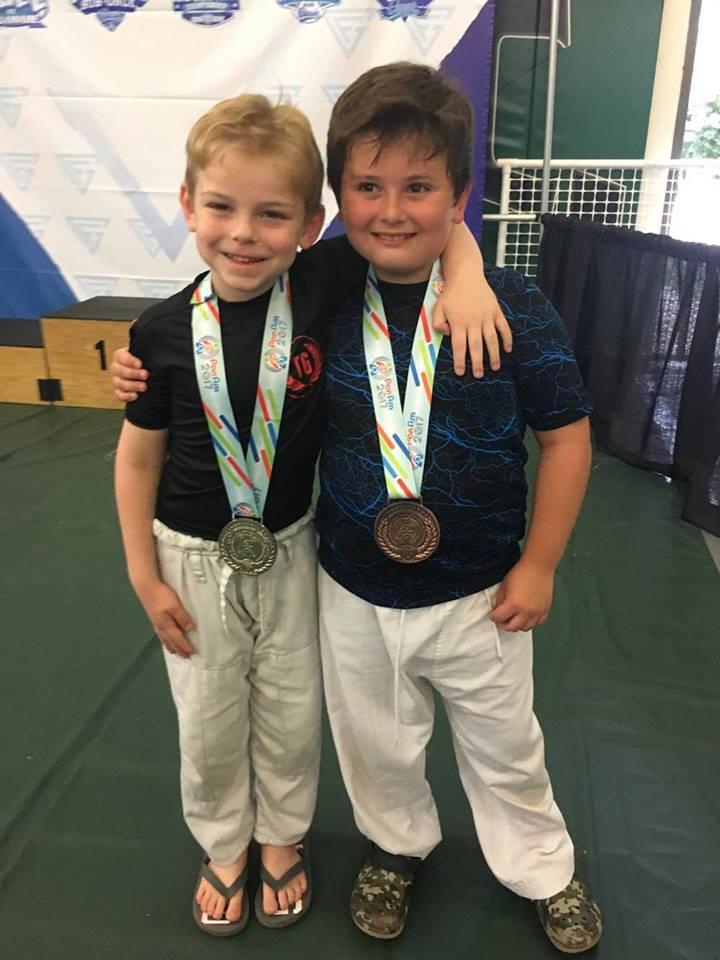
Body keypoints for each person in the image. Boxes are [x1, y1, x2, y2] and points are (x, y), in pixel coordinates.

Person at [113, 91, 509, 938]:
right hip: (188, 554)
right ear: (187, 205)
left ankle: (283, 838)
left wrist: (468, 274)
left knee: (293, 706)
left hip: (293, 545)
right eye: (220, 207)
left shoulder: (324, 280)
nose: (243, 233)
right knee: (210, 709)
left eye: (271, 214)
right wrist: (142, 572)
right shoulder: (158, 334)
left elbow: (438, 226)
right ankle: (225, 845)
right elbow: (136, 455)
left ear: (309, 223)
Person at [310, 62, 602, 953]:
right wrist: (141, 361)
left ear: (459, 194)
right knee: (374, 743)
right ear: (337, 195)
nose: (392, 209)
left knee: (506, 745)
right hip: (354, 585)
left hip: (481, 589)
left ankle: (542, 866)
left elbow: (566, 436)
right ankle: (395, 844)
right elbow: (226, 290)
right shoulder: (321, 288)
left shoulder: (510, 304)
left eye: (419, 187)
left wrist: (540, 561)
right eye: (367, 186)